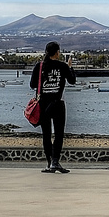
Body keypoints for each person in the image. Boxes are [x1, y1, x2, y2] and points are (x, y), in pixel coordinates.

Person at [29, 41, 77, 173]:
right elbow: (72, 81)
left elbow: (32, 85)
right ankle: (55, 162)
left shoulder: (39, 66)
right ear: (57, 52)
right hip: (57, 103)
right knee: (59, 134)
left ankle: (50, 163)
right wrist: (70, 67)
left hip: (43, 104)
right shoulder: (62, 66)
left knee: (46, 135)